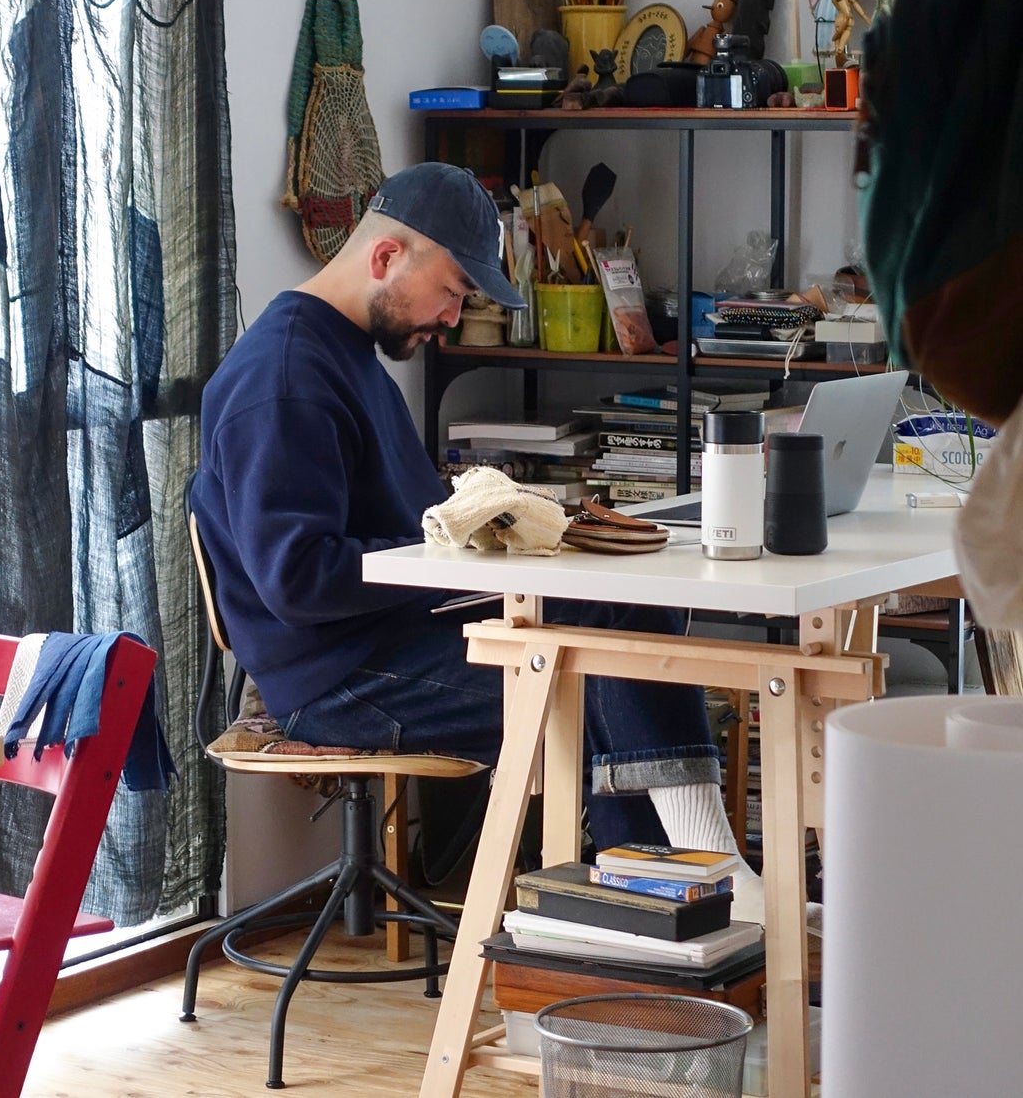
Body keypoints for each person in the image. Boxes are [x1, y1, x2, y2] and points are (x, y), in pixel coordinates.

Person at [190, 161, 773, 922]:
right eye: (455, 290)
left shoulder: (346, 355)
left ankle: (686, 899)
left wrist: (508, 527)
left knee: (627, 611)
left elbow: (412, 524)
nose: (454, 317)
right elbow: (296, 581)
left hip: (394, 634)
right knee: (597, 678)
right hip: (335, 680)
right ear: (386, 256)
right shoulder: (287, 377)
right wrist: (455, 555)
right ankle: (692, 895)